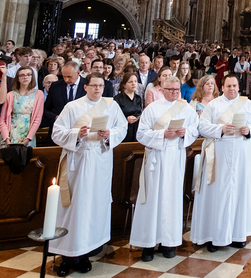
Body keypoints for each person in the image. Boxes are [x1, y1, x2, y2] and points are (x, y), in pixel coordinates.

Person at [50, 75, 127, 276]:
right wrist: (77, 134)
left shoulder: (111, 106)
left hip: (100, 161)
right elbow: (56, 133)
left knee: (94, 206)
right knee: (74, 208)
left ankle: (87, 253)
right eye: (94, 85)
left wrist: (109, 134)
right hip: (77, 161)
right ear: (85, 87)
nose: (98, 89)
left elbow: (122, 128)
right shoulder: (72, 107)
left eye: (101, 85)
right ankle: (67, 256)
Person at [190, 75, 251, 252]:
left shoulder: (247, 104)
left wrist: (249, 130)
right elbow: (201, 126)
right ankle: (214, 236)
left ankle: (238, 235)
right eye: (228, 86)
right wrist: (220, 129)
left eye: (234, 86)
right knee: (218, 193)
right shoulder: (214, 105)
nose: (232, 89)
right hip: (219, 155)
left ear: (239, 87)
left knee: (239, 192)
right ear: (222, 88)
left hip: (241, 155)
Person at [131, 76, 200, 262]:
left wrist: (185, 133)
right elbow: (141, 134)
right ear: (162, 89)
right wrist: (163, 134)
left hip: (175, 158)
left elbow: (195, 129)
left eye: (177, 90)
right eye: (171, 90)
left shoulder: (186, 109)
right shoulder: (152, 109)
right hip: (156, 158)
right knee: (152, 199)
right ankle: (148, 244)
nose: (174, 93)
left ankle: (168, 243)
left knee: (171, 199)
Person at [0, 68, 44, 147]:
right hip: (10, 134)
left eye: (28, 74)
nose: (25, 77)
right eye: (22, 75)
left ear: (32, 77)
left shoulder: (39, 94)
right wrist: (6, 138)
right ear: (18, 78)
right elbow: (3, 119)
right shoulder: (10, 95)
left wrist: (28, 138)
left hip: (27, 135)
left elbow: (37, 119)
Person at [43, 62, 86, 128]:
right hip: (60, 127)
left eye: (69, 77)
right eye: (64, 77)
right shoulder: (55, 86)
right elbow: (46, 109)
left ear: (78, 73)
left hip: (81, 126)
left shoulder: (88, 85)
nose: (66, 80)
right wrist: (55, 117)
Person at [115, 72, 143, 142]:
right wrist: (126, 119)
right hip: (124, 131)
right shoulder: (118, 99)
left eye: (135, 81)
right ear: (124, 85)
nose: (134, 84)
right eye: (130, 82)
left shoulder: (138, 98)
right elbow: (115, 118)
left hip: (137, 130)